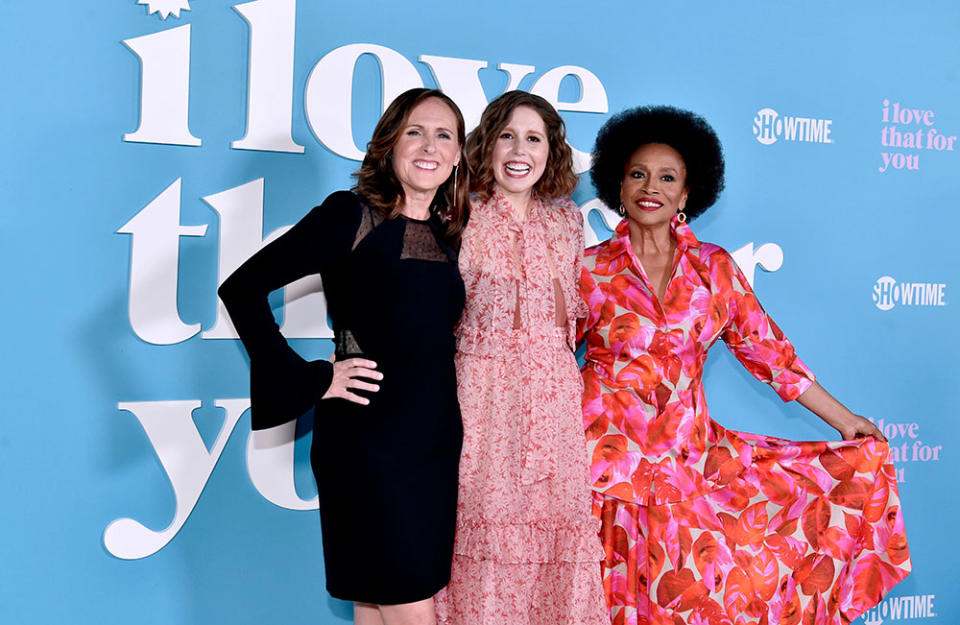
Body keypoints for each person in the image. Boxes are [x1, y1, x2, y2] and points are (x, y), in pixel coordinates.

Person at [578, 105, 910, 625]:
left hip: (687, 467)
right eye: (638, 174)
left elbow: (771, 355)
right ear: (617, 186)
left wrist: (844, 421)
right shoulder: (587, 270)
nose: (651, 187)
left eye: (668, 177)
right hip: (599, 472)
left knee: (692, 603)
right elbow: (543, 365)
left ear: (687, 195)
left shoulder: (715, 268)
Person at [218, 88, 469, 625]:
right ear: (390, 144)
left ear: (457, 156)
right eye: (415, 132)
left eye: (444, 135)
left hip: (434, 441)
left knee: (375, 601)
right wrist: (312, 379)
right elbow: (241, 289)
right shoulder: (350, 215)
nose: (429, 146)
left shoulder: (451, 234)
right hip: (368, 440)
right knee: (408, 603)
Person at [434, 91, 608, 625]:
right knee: (478, 532)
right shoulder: (456, 211)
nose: (519, 150)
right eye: (507, 135)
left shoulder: (566, 221)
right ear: (486, 144)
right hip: (478, 397)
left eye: (534, 138)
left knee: (554, 536)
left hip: (553, 401)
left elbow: (571, 321)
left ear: (551, 151)